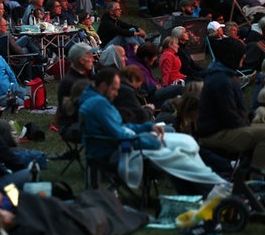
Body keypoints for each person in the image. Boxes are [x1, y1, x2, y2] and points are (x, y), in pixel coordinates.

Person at [79, 67, 226, 195]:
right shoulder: (98, 104)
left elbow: (121, 128)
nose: (117, 94)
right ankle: (211, 188)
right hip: (114, 151)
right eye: (114, 89)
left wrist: (148, 127)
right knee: (178, 154)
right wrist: (153, 142)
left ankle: (206, 188)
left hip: (117, 146)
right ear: (104, 86)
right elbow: (120, 134)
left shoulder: (95, 100)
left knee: (182, 146)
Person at [197, 37, 265, 173]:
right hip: (216, 134)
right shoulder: (223, 81)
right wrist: (247, 124)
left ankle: (249, 169)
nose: (244, 56)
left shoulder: (221, 75)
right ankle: (256, 177)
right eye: (242, 54)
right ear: (234, 56)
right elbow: (230, 115)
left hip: (220, 129)